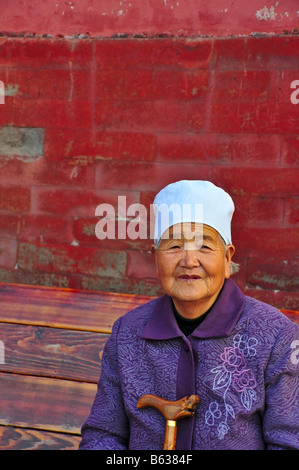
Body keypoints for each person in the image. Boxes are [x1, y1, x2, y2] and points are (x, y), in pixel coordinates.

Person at [79, 180, 299, 450]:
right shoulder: (127, 333)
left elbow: (289, 442)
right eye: (174, 247)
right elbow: (103, 435)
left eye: (204, 247)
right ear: (155, 257)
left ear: (228, 259)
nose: (189, 261)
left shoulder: (275, 335)